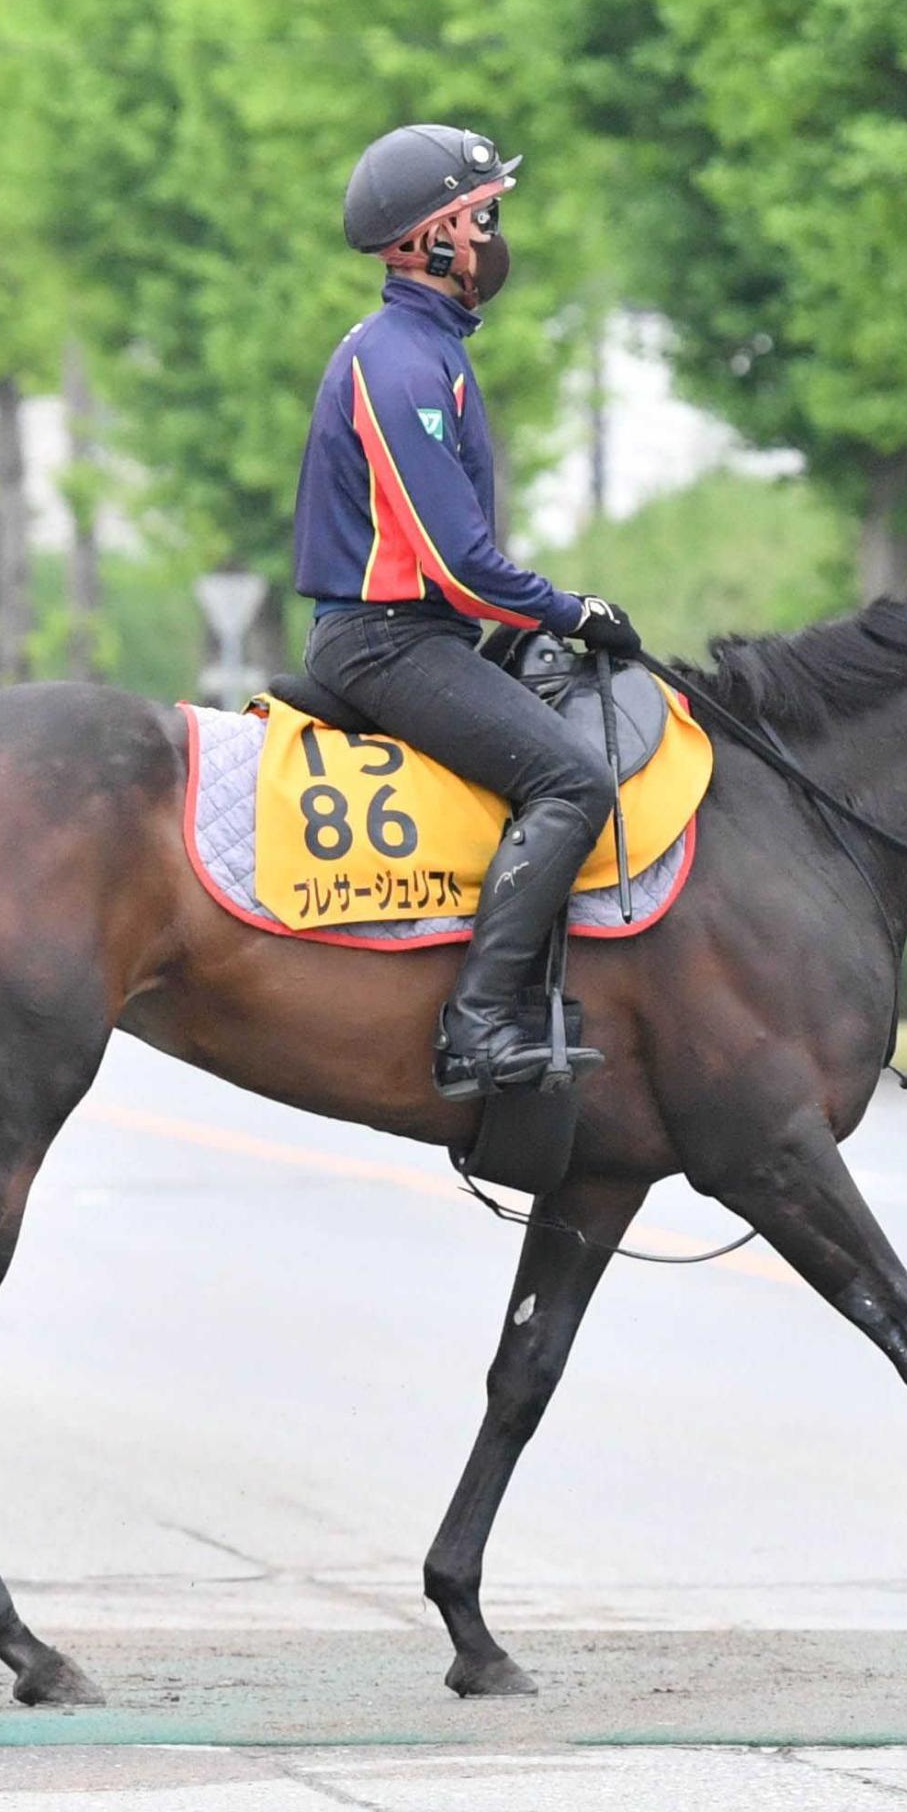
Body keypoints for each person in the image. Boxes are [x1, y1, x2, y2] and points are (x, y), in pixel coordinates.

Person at [292, 124, 641, 1101]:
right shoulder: (400, 364)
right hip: (386, 643)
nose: (496, 235)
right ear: (435, 238)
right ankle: (478, 1027)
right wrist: (573, 609)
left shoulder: (426, 347)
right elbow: (458, 564)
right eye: (484, 215)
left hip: (419, 635)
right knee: (574, 785)